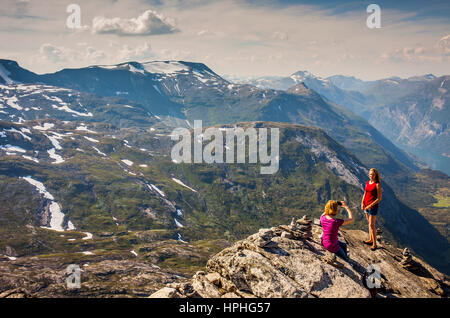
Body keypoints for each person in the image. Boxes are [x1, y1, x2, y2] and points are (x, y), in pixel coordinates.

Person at [361, 168, 382, 251]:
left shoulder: (377, 184)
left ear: (376, 175)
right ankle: (370, 239)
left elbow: (379, 198)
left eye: (373, 174)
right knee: (369, 223)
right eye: (370, 174)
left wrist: (370, 205)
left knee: (371, 225)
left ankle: (374, 244)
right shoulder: (368, 182)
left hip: (373, 207)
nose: (371, 176)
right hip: (366, 205)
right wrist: (362, 203)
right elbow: (365, 193)